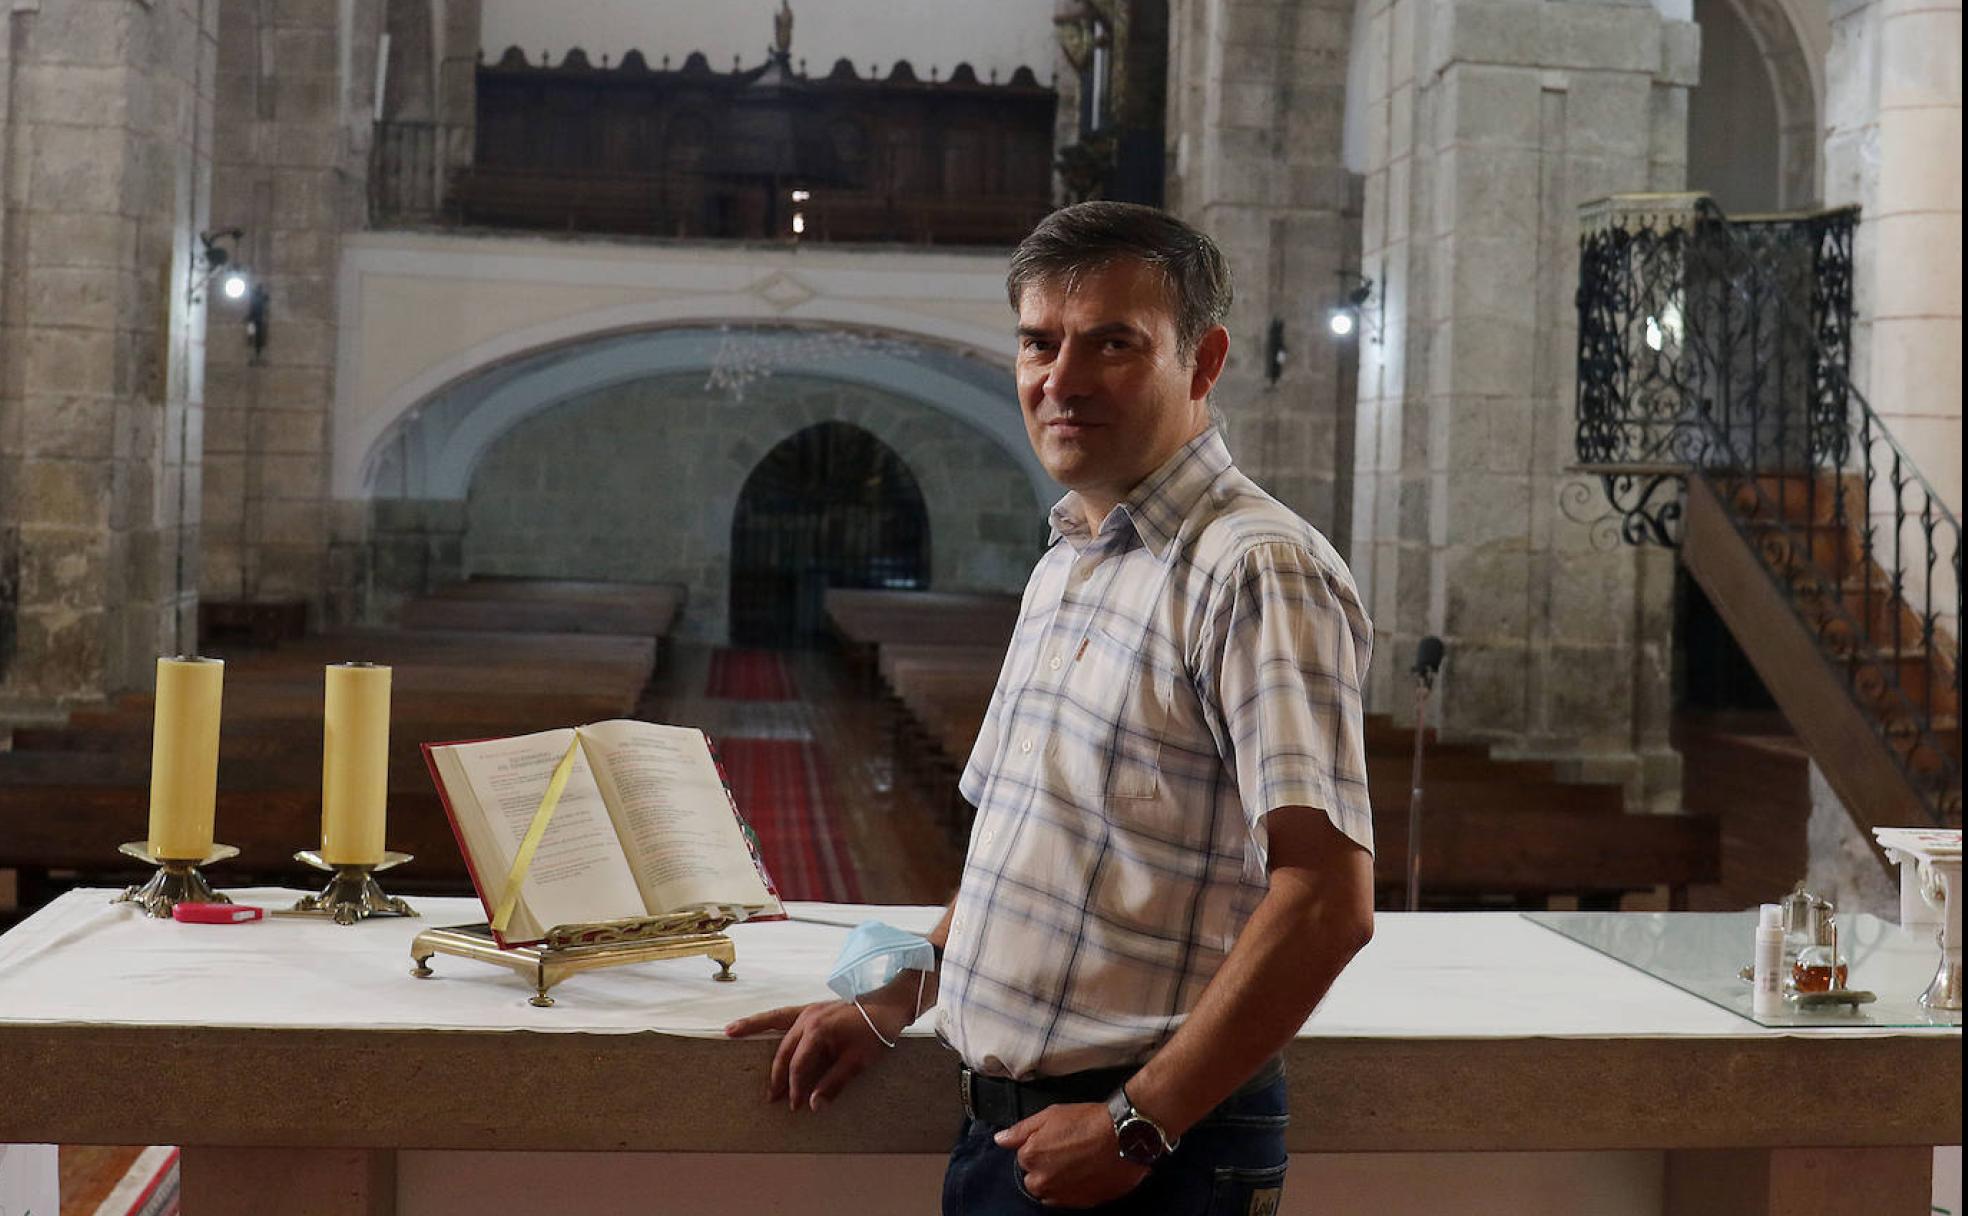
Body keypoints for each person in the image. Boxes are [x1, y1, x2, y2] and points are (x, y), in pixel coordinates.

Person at [726, 201, 1376, 1214]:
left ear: (1203, 362)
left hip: (1147, 1153)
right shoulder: (1068, 560)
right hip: (1013, 1133)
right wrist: (895, 994)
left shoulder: (1255, 568)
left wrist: (1138, 1122)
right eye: (1039, 342)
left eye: (1113, 344)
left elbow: (1328, 899)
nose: (1061, 380)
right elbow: (1025, 853)